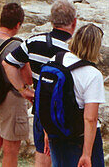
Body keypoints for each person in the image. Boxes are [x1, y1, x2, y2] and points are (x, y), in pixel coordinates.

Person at [6, 0, 78, 167]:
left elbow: (9, 63)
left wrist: (23, 90)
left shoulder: (34, 42)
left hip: (42, 107)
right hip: (68, 110)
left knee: (43, 155)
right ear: (74, 22)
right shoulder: (74, 49)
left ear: (52, 21)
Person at [45, 23, 105, 167]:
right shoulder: (92, 74)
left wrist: (47, 132)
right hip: (80, 137)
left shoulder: (56, 60)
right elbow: (90, 118)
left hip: (57, 132)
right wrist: (86, 154)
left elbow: (47, 100)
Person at [0, 3, 30, 167]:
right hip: (11, 99)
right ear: (18, 25)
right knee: (11, 148)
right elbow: (27, 78)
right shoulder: (16, 46)